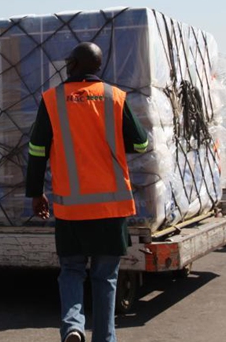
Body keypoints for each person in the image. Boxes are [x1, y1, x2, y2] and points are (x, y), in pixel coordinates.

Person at [26, 42, 148, 342]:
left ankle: (73, 327)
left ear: (74, 65)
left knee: (71, 270)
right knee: (105, 278)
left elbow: (37, 150)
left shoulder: (52, 100)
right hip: (111, 209)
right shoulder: (114, 97)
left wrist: (36, 192)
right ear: (97, 66)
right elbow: (141, 143)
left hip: (71, 210)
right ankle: (104, 338)